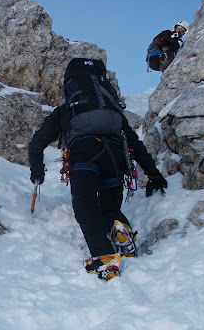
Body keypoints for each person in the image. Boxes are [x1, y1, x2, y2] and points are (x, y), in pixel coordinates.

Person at [28, 57, 168, 281]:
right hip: (114, 157)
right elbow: (135, 144)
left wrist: (37, 171)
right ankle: (119, 226)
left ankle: (104, 258)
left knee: (85, 207)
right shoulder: (112, 111)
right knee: (109, 206)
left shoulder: (66, 110)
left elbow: (37, 143)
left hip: (84, 155)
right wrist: (153, 175)